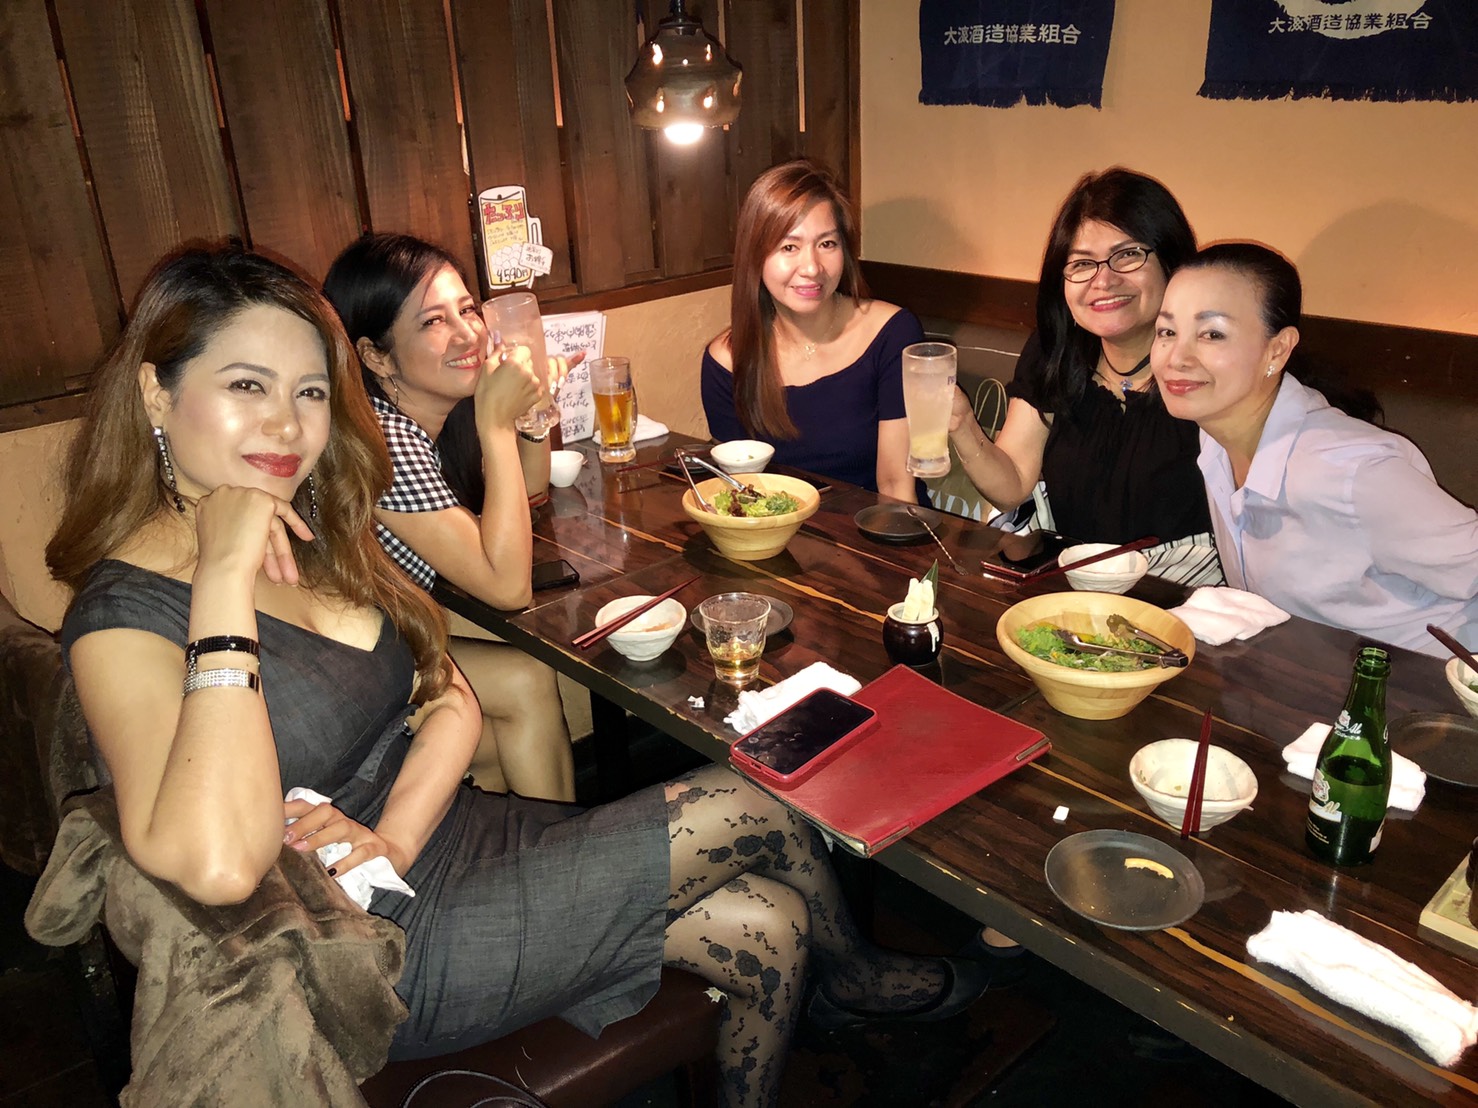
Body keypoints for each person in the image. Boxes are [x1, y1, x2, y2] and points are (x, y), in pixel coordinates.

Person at [46, 246, 994, 1108]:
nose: (288, 425)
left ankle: (828, 988)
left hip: (426, 840)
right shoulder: (123, 616)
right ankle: (856, 977)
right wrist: (219, 578)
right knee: (762, 797)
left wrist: (393, 839)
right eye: (246, 384)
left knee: (771, 927)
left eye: (308, 392)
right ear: (157, 392)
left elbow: (450, 696)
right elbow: (218, 867)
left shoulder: (313, 526)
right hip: (371, 946)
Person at [323, 234, 572, 801]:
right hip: (340, 674)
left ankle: (538, 841)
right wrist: (495, 423)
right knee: (525, 683)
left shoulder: (427, 416)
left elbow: (529, 489)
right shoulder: (381, 441)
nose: (468, 335)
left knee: (517, 706)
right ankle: (560, 842)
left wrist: (531, 412)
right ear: (375, 356)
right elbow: (507, 587)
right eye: (434, 322)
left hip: (382, 646)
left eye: (468, 310)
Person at [1150, 242, 1478, 656]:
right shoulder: (1215, 440)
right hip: (1299, 675)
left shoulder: (1352, 471)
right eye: (1167, 332)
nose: (1176, 357)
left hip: (1413, 684)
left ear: (1277, 350)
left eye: (1212, 334)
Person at [946, 168, 1223, 585]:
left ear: (1172, 262)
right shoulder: (1057, 351)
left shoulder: (1212, 363)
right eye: (1081, 263)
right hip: (1070, 586)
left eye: (1127, 255)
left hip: (1182, 595)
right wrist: (963, 425)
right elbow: (1013, 484)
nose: (1103, 280)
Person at [702, 159, 925, 501]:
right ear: (755, 257)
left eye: (827, 244)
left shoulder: (892, 335)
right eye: (789, 247)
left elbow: (896, 487)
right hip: (776, 530)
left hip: (878, 527)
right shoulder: (727, 360)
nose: (811, 268)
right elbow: (739, 491)